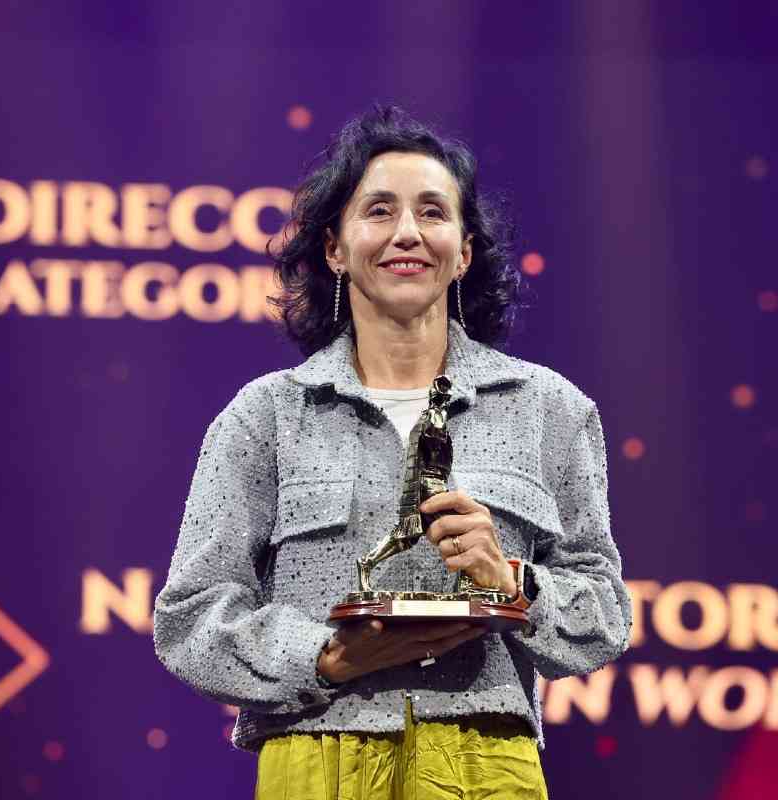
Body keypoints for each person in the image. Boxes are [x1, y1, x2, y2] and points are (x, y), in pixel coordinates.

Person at [154, 106, 631, 799]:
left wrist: (510, 579)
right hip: (316, 757)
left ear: (463, 252)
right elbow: (191, 618)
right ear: (334, 248)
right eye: (379, 211)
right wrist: (326, 657)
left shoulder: (549, 410)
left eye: (433, 212)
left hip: (486, 765)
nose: (407, 232)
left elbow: (604, 618)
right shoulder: (266, 416)